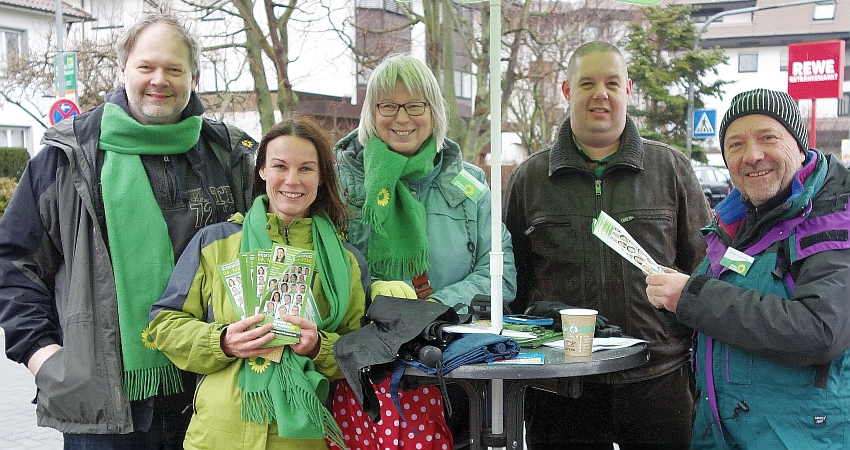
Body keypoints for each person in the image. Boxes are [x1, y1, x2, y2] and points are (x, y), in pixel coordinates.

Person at [0, 9, 256, 448]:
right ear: (123, 71)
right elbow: (14, 261)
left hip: (215, 390)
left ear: (193, 76)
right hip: (104, 403)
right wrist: (40, 353)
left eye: (174, 68)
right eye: (146, 66)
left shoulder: (228, 157)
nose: (160, 79)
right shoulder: (68, 158)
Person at [503, 41, 710, 449]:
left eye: (612, 82)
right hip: (561, 386)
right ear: (566, 90)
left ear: (628, 89)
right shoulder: (529, 179)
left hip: (658, 380)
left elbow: (703, 267)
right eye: (587, 83)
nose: (601, 94)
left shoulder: (670, 168)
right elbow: (517, 282)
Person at [645, 88, 850, 448]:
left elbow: (819, 332)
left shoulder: (836, 218)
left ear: (799, 146)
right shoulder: (735, 223)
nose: (752, 156)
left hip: (805, 438)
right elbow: (724, 317)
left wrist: (692, 297)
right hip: (722, 433)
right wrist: (673, 304)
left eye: (767, 138)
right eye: (735, 145)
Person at [332, 52, 517, 450]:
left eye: (415, 105)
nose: (402, 118)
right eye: (388, 105)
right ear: (370, 112)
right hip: (359, 376)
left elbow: (499, 274)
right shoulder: (335, 182)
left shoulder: (470, 186)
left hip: (453, 375)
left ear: (433, 112)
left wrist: (427, 312)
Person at [149, 116, 367, 449]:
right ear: (262, 170)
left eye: (306, 169)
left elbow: (360, 350)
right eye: (280, 166)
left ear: (322, 176)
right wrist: (221, 341)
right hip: (217, 435)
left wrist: (319, 347)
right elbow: (164, 324)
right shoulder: (215, 242)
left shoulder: (345, 262)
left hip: (302, 439)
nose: (291, 181)